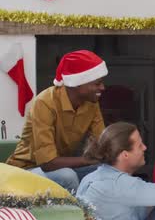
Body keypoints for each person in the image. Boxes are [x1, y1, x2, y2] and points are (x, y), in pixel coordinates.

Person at [5, 50, 108, 191]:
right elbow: (48, 163)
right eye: (97, 83)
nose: (102, 88)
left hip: (60, 167)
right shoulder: (45, 103)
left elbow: (102, 143)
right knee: (67, 176)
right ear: (78, 83)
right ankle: (80, 212)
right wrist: (89, 159)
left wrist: (116, 154)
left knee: (107, 171)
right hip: (27, 170)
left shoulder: (91, 103)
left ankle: (100, 211)